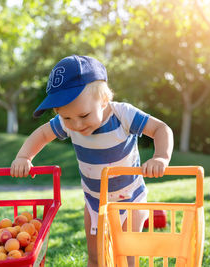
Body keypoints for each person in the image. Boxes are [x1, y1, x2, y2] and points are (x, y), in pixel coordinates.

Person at [10, 55, 174, 266]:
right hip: (95, 201)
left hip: (130, 199)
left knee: (125, 257)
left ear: (104, 99)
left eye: (84, 115)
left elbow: (161, 129)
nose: (76, 125)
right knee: (95, 257)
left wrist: (160, 156)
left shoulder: (122, 114)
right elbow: (42, 134)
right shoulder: (67, 122)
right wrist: (24, 156)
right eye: (67, 118)